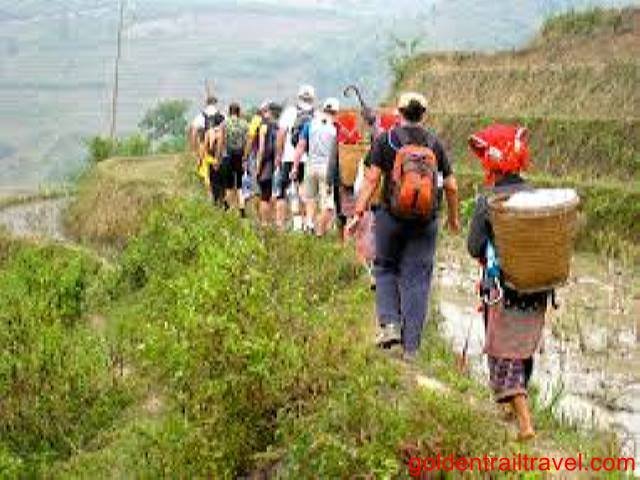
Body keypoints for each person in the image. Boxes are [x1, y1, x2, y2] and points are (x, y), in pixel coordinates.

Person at [348, 92, 460, 361]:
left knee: (385, 267)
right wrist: (454, 218)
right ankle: (411, 348)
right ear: (424, 114)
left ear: (399, 112)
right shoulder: (434, 143)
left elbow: (372, 179)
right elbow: (451, 185)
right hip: (425, 221)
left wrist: (358, 212)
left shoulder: (386, 140)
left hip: (391, 217)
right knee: (417, 279)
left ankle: (390, 325)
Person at [467, 123, 546, 441]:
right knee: (522, 347)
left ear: (492, 163)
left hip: (502, 288)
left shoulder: (489, 201)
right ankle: (512, 409)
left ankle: (525, 423)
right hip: (537, 286)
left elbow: (474, 246)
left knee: (503, 350)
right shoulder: (537, 197)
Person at [291, 98, 340, 236]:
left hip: (310, 166)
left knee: (310, 199)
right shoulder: (336, 127)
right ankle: (319, 232)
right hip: (327, 168)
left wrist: (295, 167)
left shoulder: (310, 124)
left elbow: (300, 146)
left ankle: (309, 225)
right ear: (336, 112)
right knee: (327, 204)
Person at [275, 84, 316, 231]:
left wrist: (278, 155)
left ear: (298, 96)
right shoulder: (316, 115)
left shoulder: (290, 112)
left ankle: (280, 226)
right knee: (307, 194)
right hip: (308, 159)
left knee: (282, 193)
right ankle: (306, 224)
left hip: (289, 158)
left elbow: (281, 135)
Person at [255, 103, 282, 226]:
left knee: (264, 196)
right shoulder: (278, 126)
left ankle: (264, 223)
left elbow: (261, 149)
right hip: (277, 163)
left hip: (265, 164)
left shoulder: (264, 126)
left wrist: (257, 167)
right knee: (275, 194)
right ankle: (274, 221)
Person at [221, 103, 249, 216]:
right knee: (239, 184)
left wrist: (221, 154)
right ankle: (242, 208)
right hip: (239, 155)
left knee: (229, 184)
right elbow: (247, 141)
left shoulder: (225, 123)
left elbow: (222, 140)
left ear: (229, 111)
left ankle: (227, 207)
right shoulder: (244, 124)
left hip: (228, 155)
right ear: (239, 112)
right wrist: (245, 156)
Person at [203, 110, 226, 205]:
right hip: (221, 160)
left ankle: (215, 202)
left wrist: (209, 159)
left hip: (211, 159)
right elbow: (222, 147)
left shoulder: (208, 132)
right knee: (222, 184)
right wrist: (217, 159)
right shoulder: (222, 133)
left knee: (213, 182)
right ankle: (222, 203)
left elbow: (205, 148)